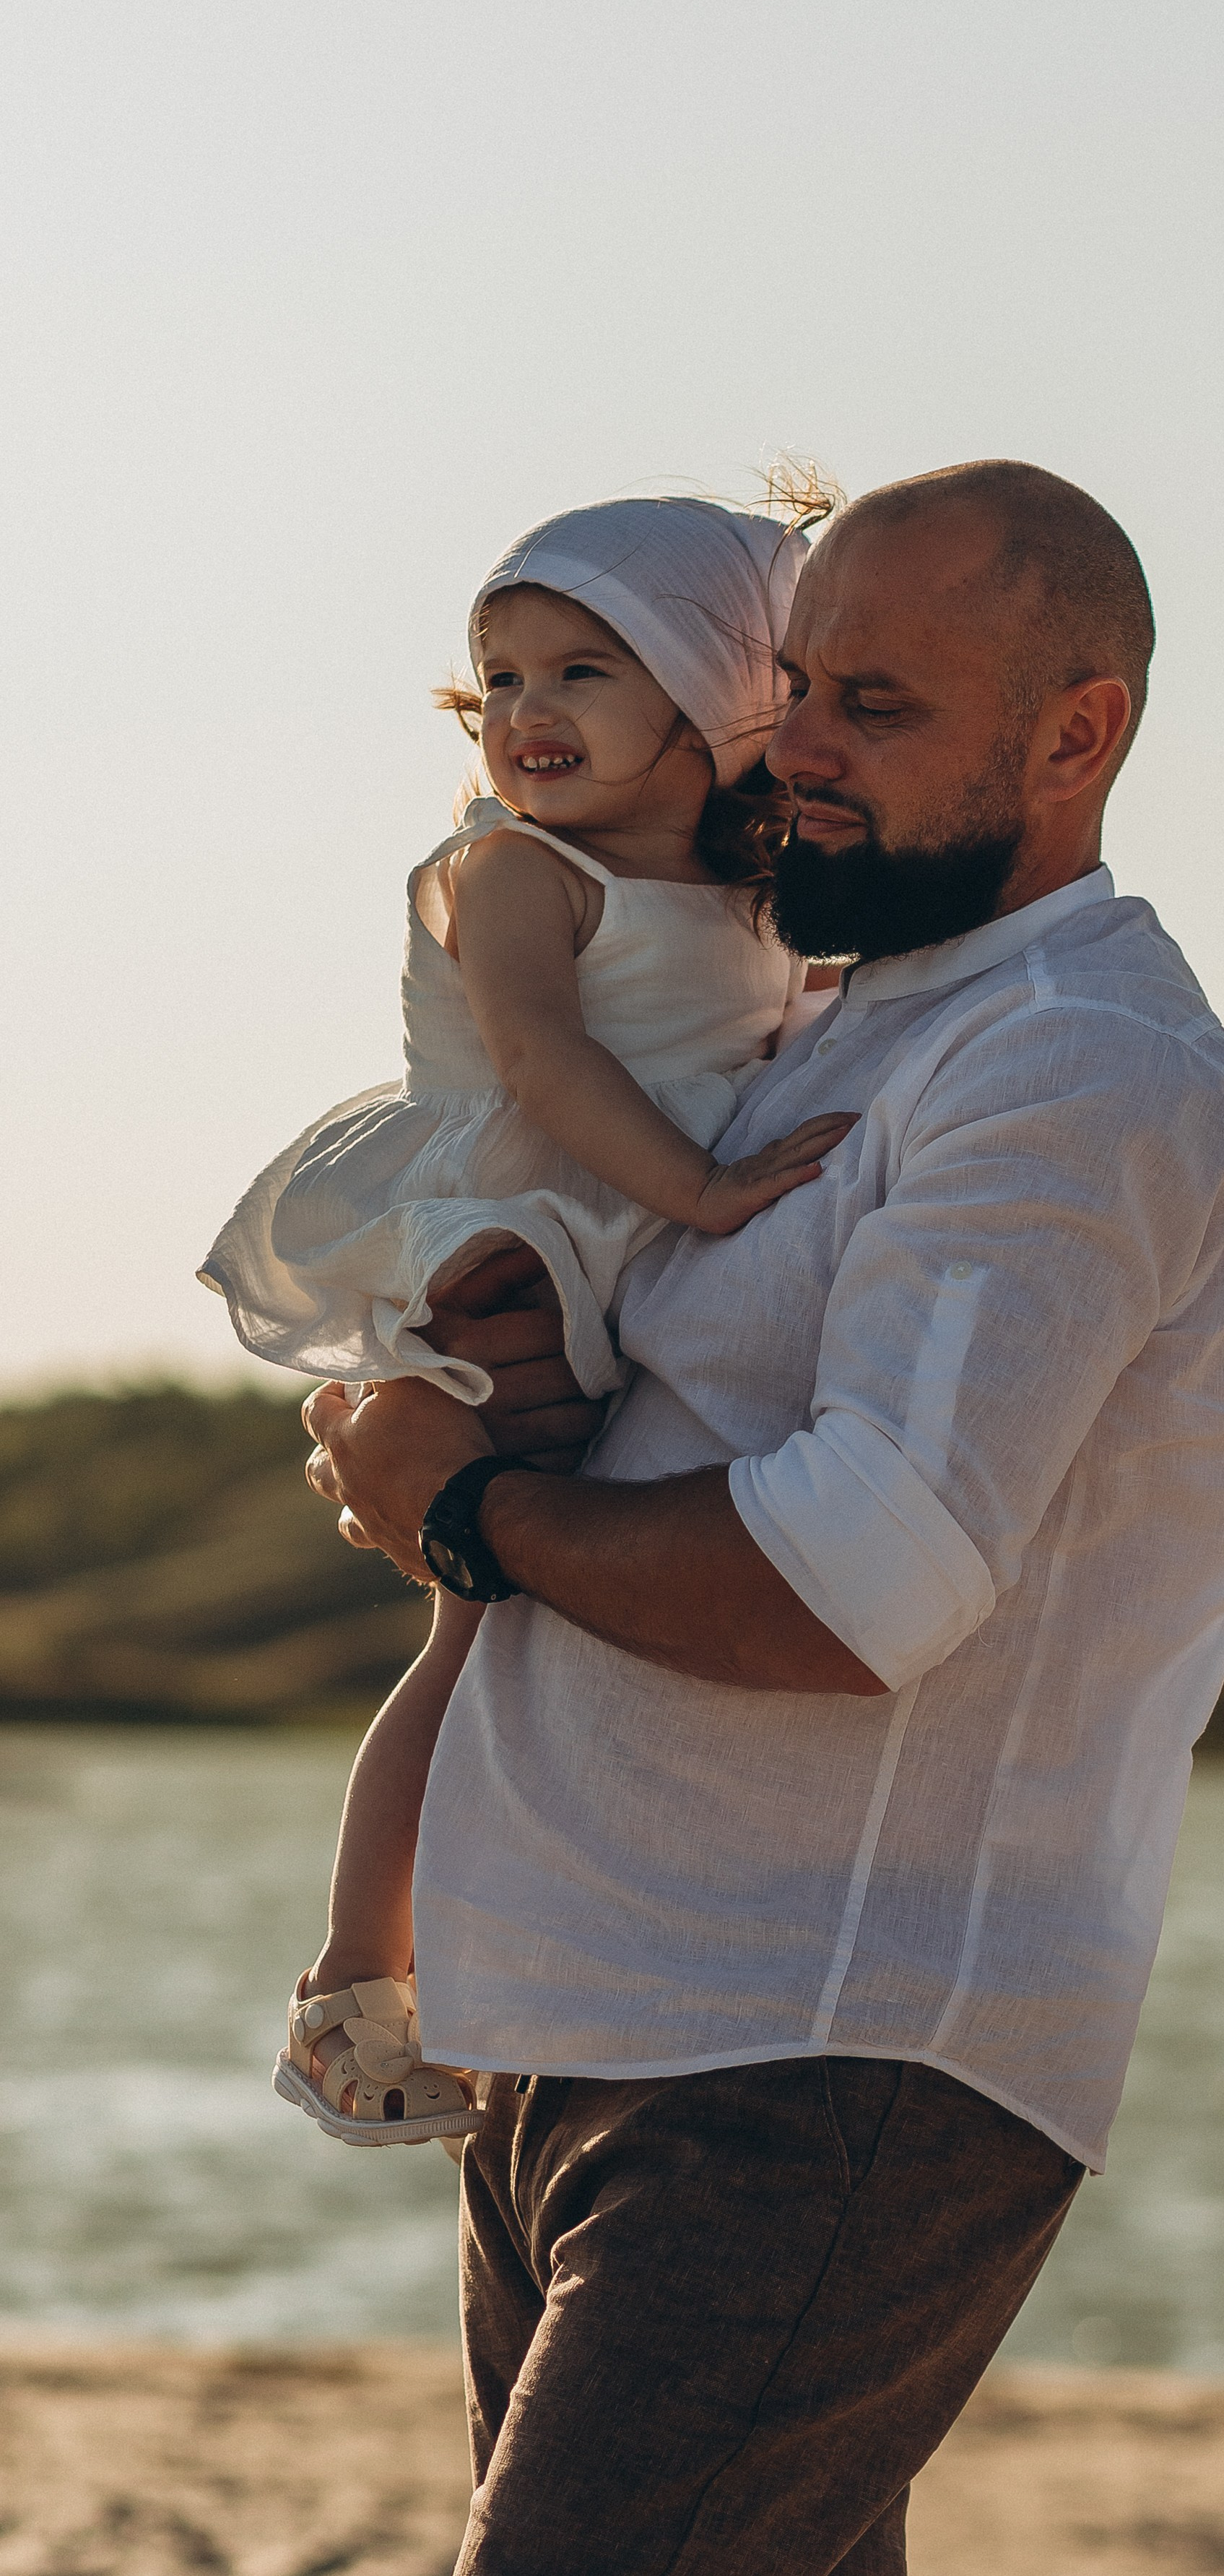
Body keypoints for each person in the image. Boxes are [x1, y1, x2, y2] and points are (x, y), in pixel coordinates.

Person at [303, 460, 1224, 2576]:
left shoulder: (1075, 1060)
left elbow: (858, 1587)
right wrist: (475, 1390)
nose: (803, 750)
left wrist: (468, 1509)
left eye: (883, 706)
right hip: (581, 2037)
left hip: (815, 2058)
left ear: (1075, 735)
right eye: (797, 690)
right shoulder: (804, 1031)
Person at [199, 496, 851, 2143]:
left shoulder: (765, 899)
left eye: (584, 670)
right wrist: (705, 1199)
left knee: (526, 1628)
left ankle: (500, 1961)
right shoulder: (516, 874)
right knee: (475, 1623)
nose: (527, 712)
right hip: (520, 1225)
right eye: (499, 679)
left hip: (627, 1250)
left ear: (723, 703)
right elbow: (553, 1072)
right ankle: (355, 1982)